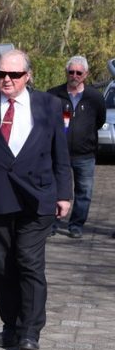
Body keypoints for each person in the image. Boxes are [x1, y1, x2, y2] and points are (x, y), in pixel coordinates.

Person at [0, 50, 72, 350]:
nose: (6, 80)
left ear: (28, 76)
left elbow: (61, 154)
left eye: (14, 75)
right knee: (2, 266)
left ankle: (30, 331)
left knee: (29, 261)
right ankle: (11, 326)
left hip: (37, 198)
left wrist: (64, 194)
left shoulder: (49, 105)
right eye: (1, 74)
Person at [46, 56, 106, 238]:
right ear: (66, 72)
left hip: (84, 154)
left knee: (84, 191)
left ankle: (76, 225)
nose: (74, 76)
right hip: (57, 152)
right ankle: (52, 223)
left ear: (85, 74)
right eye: (71, 72)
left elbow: (99, 120)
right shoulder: (53, 94)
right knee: (53, 189)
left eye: (79, 73)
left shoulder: (94, 97)